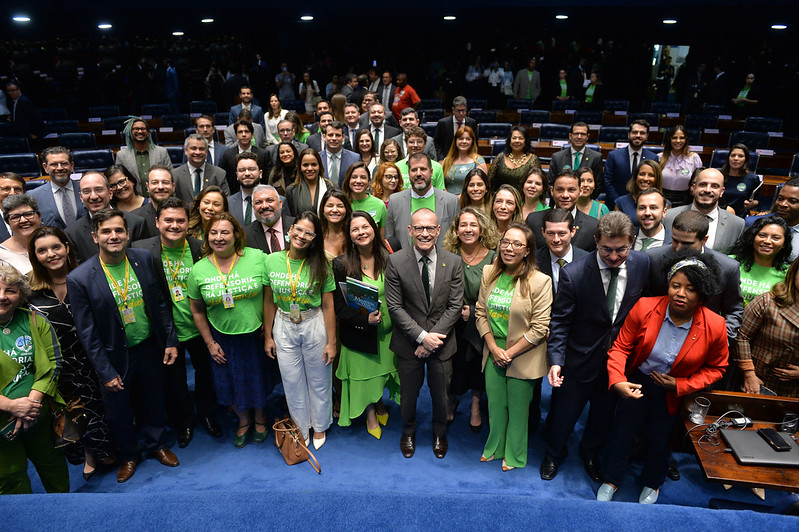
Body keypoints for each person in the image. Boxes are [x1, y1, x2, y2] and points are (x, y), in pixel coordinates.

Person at [598, 251, 728, 504]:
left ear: (701, 293)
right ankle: (611, 479)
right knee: (622, 432)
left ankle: (652, 483)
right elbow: (621, 348)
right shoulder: (646, 307)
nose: (681, 293)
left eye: (690, 289)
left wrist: (682, 385)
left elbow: (718, 368)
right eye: (675, 285)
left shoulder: (715, 325)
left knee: (660, 438)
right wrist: (617, 380)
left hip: (673, 389)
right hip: (638, 382)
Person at [68, 209, 180, 483]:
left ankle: (157, 445)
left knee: (154, 398)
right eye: (106, 231)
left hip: (148, 347)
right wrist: (105, 371)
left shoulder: (143, 259)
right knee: (118, 411)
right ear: (95, 237)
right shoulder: (80, 278)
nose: (113, 236)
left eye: (119, 230)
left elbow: (161, 303)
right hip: (113, 355)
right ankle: (128, 455)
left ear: (128, 234)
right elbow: (87, 331)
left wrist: (169, 340)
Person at [542, 212, 650, 482]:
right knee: (563, 416)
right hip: (579, 360)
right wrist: (555, 359)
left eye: (621, 250)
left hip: (617, 363)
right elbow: (560, 321)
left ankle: (590, 453)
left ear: (632, 242)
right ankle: (553, 455)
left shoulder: (642, 265)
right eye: (606, 250)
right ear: (595, 241)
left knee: (603, 415)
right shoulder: (574, 274)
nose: (613, 257)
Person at [131, 197, 222, 446]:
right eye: (168, 220)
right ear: (157, 222)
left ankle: (207, 414)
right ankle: (184, 422)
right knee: (174, 381)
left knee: (206, 375)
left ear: (187, 223)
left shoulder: (200, 247)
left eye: (180, 220)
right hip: (165, 331)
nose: (174, 225)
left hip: (199, 327)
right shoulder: (141, 250)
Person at [27, 226, 115, 479]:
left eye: (56, 247)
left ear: (67, 247)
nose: (51, 254)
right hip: (60, 364)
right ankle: (89, 453)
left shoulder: (88, 276)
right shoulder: (30, 293)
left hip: (95, 356)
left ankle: (109, 447)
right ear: (35, 256)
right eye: (42, 251)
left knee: (103, 406)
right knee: (74, 412)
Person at [188, 213, 273, 448]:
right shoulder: (198, 270)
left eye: (225, 232)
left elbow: (269, 297)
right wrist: (209, 343)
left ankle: (260, 418)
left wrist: (269, 331)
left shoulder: (257, 258)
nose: (219, 237)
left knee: (257, 379)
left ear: (236, 235)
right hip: (220, 337)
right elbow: (197, 310)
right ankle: (243, 419)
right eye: (213, 233)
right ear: (207, 237)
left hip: (254, 334)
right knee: (230, 381)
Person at [385, 208, 464, 459]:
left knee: (442, 395)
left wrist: (431, 340)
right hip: (409, 343)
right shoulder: (396, 261)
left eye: (430, 228)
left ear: (438, 231)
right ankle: (408, 432)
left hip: (442, 343)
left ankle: (439, 433)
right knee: (409, 395)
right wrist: (421, 337)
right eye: (419, 228)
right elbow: (395, 307)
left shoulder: (453, 262)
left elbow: (454, 306)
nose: (425, 233)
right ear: (410, 231)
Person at [476, 223, 552, 470]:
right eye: (505, 242)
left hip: (523, 353)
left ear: (528, 250)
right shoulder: (489, 272)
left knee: (519, 410)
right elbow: (480, 313)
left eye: (517, 244)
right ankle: (495, 447)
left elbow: (540, 328)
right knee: (496, 405)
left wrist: (508, 353)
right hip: (493, 350)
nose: (509, 248)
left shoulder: (541, 281)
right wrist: (493, 348)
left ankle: (515, 455)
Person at [263, 212, 337, 449]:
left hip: (313, 321)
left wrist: (332, 342)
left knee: (319, 378)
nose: (302, 236)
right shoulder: (272, 261)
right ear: (290, 229)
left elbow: (328, 305)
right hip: (283, 323)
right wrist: (267, 335)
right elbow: (268, 301)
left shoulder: (322, 264)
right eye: (299, 229)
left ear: (314, 238)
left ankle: (320, 426)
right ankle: (300, 426)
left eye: (309, 233)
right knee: (291, 380)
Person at [0, 264, 69, 494]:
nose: (2, 297)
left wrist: (30, 405)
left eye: (10, 290)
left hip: (38, 412)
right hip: (1, 420)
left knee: (54, 468)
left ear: (20, 294)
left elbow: (54, 362)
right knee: (10, 477)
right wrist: (11, 406)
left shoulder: (35, 320)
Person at [333, 212, 400, 437]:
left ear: (374, 229)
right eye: (355, 230)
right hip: (359, 334)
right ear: (350, 236)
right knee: (365, 376)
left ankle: (379, 403)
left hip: (387, 334)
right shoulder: (341, 265)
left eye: (365, 227)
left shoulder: (390, 257)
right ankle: (370, 413)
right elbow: (340, 309)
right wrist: (365, 320)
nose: (361, 232)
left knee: (380, 375)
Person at [443, 207, 499, 431]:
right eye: (463, 225)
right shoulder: (447, 255)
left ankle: (475, 405)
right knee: (451, 365)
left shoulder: (494, 258)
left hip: (480, 322)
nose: (468, 229)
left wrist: (474, 310)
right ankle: (452, 399)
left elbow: (496, 296)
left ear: (481, 229)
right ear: (456, 230)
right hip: (452, 322)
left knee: (477, 364)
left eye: (473, 225)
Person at [736, 257, 799, 397]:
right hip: (758, 381)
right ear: (794, 273)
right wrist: (749, 373)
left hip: (794, 392)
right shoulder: (768, 301)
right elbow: (742, 336)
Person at [386, 153, 459, 248]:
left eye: (423, 169)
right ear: (409, 173)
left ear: (431, 172)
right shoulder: (395, 201)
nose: (418, 174)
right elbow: (389, 240)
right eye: (414, 170)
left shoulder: (451, 201)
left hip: (442, 261)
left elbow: (456, 239)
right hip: (404, 261)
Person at [664, 168, 745, 254]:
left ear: (722, 191)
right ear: (694, 188)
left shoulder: (737, 225)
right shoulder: (669, 217)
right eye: (702, 184)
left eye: (715, 186)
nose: (707, 190)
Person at [526, 169, 599, 252]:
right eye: (560, 190)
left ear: (580, 191)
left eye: (571, 190)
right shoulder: (533, 220)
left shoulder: (592, 226)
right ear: (552, 191)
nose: (565, 195)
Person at [730, 217, 792, 306]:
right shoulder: (730, 263)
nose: (767, 241)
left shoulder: (789, 274)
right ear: (753, 237)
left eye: (775, 238)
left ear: (784, 244)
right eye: (762, 235)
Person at [603, 120, 659, 211]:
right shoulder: (614, 155)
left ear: (647, 136)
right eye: (635, 132)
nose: (638, 135)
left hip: (642, 206)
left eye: (642, 133)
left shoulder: (653, 158)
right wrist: (620, 202)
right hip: (615, 205)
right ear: (629, 134)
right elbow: (607, 181)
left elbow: (654, 184)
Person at [30, 146, 86, 230]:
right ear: (45, 167)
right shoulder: (33, 196)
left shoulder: (85, 189)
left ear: (72, 166)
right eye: (54, 164)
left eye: (64, 163)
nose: (59, 168)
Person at [114, 118, 173, 193]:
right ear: (130, 132)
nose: (140, 131)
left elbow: (171, 175)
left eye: (143, 129)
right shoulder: (121, 155)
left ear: (148, 132)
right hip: (134, 200)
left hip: (159, 196)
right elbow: (119, 180)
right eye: (136, 129)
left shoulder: (161, 152)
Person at [487, 126, 541, 194]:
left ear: (525, 141)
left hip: (524, 201)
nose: (517, 141)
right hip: (502, 200)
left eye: (520, 138)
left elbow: (538, 183)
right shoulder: (500, 157)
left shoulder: (533, 159)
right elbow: (489, 181)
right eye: (514, 138)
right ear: (509, 140)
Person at [659, 125, 703, 207]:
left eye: (682, 138)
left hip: (686, 200)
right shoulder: (660, 157)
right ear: (669, 139)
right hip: (662, 199)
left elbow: (699, 181)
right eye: (674, 138)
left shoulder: (694, 158)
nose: (678, 141)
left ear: (686, 140)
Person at [244, 185, 294, 254]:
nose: (265, 206)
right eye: (258, 202)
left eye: (269, 200)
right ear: (253, 208)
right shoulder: (246, 235)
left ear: (280, 204)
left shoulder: (296, 226)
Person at [285, 148, 335, 218]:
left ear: (320, 166)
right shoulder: (291, 190)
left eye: (314, 164)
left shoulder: (331, 187)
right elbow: (290, 218)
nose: (310, 168)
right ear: (300, 167)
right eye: (305, 165)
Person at [0, 195, 42, 275]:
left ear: (39, 216)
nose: (23, 220)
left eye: (28, 214)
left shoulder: (55, 244)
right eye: (15, 217)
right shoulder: (1, 255)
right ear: (7, 222)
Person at [615, 160, 665, 224]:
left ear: (657, 179)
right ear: (636, 177)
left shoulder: (665, 204)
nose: (645, 178)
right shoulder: (621, 203)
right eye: (642, 174)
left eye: (651, 175)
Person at [441, 126, 488, 195]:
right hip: (448, 201)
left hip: (469, 201)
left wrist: (461, 198)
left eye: (468, 139)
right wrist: (450, 199)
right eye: (461, 139)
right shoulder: (447, 160)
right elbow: (441, 184)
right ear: (455, 141)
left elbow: (482, 186)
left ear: (472, 141)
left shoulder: (478, 161)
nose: (464, 141)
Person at [342, 162, 387, 230]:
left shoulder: (379, 205)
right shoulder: (341, 203)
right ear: (348, 180)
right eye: (354, 177)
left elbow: (381, 237)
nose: (358, 181)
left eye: (363, 177)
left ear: (369, 181)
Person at [720, 143, 760, 216]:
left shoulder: (752, 179)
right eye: (733, 155)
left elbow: (757, 201)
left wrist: (752, 204)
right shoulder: (718, 175)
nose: (736, 158)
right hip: (717, 214)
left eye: (740, 156)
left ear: (746, 159)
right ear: (728, 158)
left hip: (739, 217)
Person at [320, 188, 352, 261]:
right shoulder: (317, 235)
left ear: (346, 210)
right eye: (330, 206)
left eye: (340, 206)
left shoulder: (353, 235)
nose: (334, 210)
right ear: (322, 210)